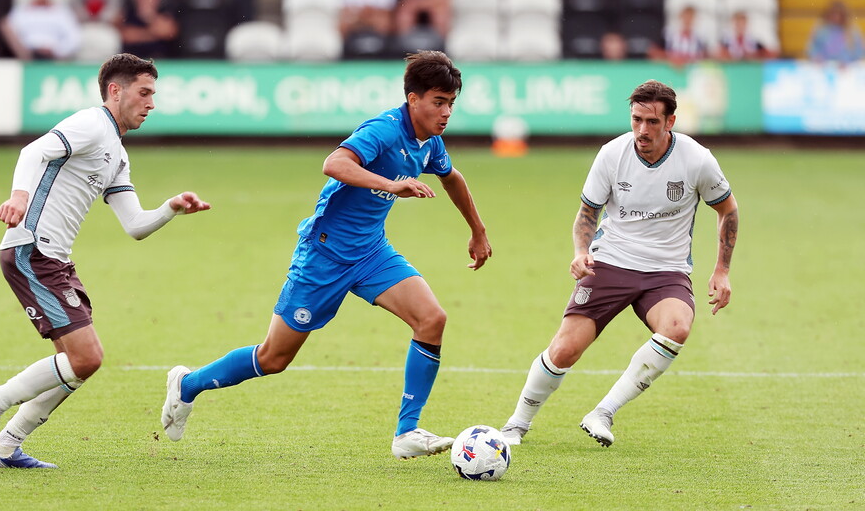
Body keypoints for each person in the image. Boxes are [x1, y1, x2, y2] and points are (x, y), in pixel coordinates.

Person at [162, 50, 492, 460]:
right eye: (439, 102)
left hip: (372, 252)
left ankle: (407, 432)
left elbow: (452, 177)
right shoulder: (384, 130)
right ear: (413, 100)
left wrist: (477, 231)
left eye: (451, 104)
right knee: (274, 357)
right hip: (324, 255)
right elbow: (334, 163)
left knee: (432, 319)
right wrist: (392, 184)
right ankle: (187, 385)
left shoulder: (429, 143)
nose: (446, 113)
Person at [0, 53, 211, 470]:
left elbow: (134, 225)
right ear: (116, 90)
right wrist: (20, 195)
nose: (151, 103)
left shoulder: (117, 150)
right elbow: (34, 151)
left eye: (153, 95)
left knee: (75, 367)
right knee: (86, 358)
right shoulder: (92, 123)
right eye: (144, 92)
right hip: (32, 249)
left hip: (55, 258)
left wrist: (170, 208)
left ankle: (7, 443)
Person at [500, 80, 739, 448]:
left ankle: (603, 412)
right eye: (636, 119)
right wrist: (581, 251)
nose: (642, 130)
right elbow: (586, 214)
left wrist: (721, 269)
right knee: (565, 349)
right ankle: (516, 425)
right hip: (611, 261)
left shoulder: (696, 159)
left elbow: (727, 210)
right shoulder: (612, 154)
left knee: (677, 327)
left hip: (666, 270)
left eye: (652, 122)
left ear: (671, 121)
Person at [0, 0, 82, 60]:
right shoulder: (20, 12)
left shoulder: (62, 12)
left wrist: (57, 51)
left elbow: (74, 38)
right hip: (27, 57)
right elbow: (11, 32)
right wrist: (26, 52)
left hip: (54, 59)